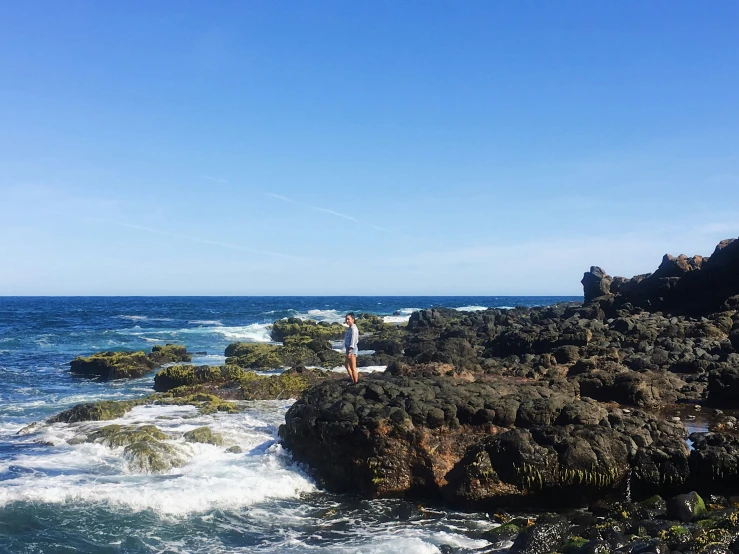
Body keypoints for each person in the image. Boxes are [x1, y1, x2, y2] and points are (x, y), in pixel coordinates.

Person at [344, 312, 359, 384]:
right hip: (348, 349)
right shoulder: (350, 328)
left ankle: (355, 382)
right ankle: (353, 380)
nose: (347, 321)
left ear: (353, 319)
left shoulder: (354, 329)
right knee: (346, 365)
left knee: (353, 367)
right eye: (346, 319)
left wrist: (350, 351)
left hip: (352, 349)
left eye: (348, 319)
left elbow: (353, 341)